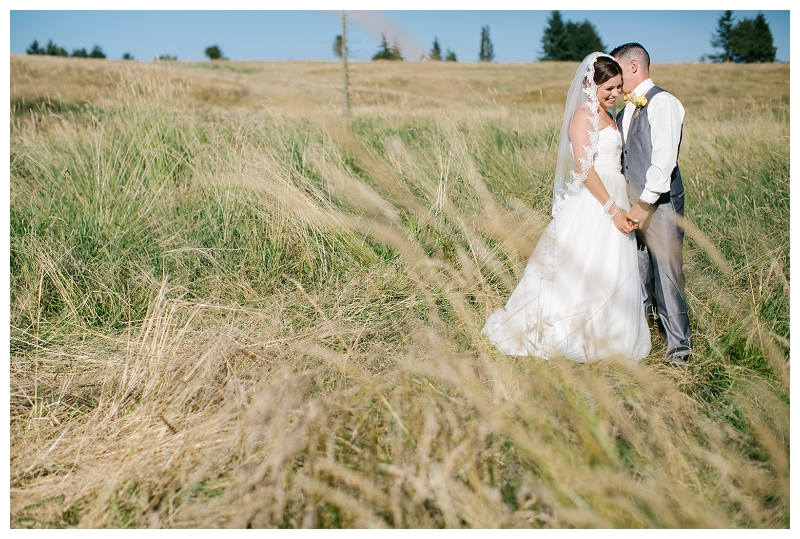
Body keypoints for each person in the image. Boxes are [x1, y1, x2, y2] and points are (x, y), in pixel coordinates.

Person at [481, 52, 651, 362]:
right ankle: (565, 331)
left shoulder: (610, 116)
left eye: (617, 87)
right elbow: (585, 169)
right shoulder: (583, 116)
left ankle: (608, 332)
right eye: (608, 89)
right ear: (591, 85)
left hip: (616, 196)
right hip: (596, 202)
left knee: (609, 268)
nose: (615, 95)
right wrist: (613, 210)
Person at [610, 43, 691, 367]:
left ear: (633, 66)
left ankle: (679, 355)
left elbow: (663, 162)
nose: (615, 78)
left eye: (617, 69)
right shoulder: (623, 111)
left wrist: (642, 205)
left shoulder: (663, 102)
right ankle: (646, 342)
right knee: (638, 276)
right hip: (631, 210)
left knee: (668, 279)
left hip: (660, 206)